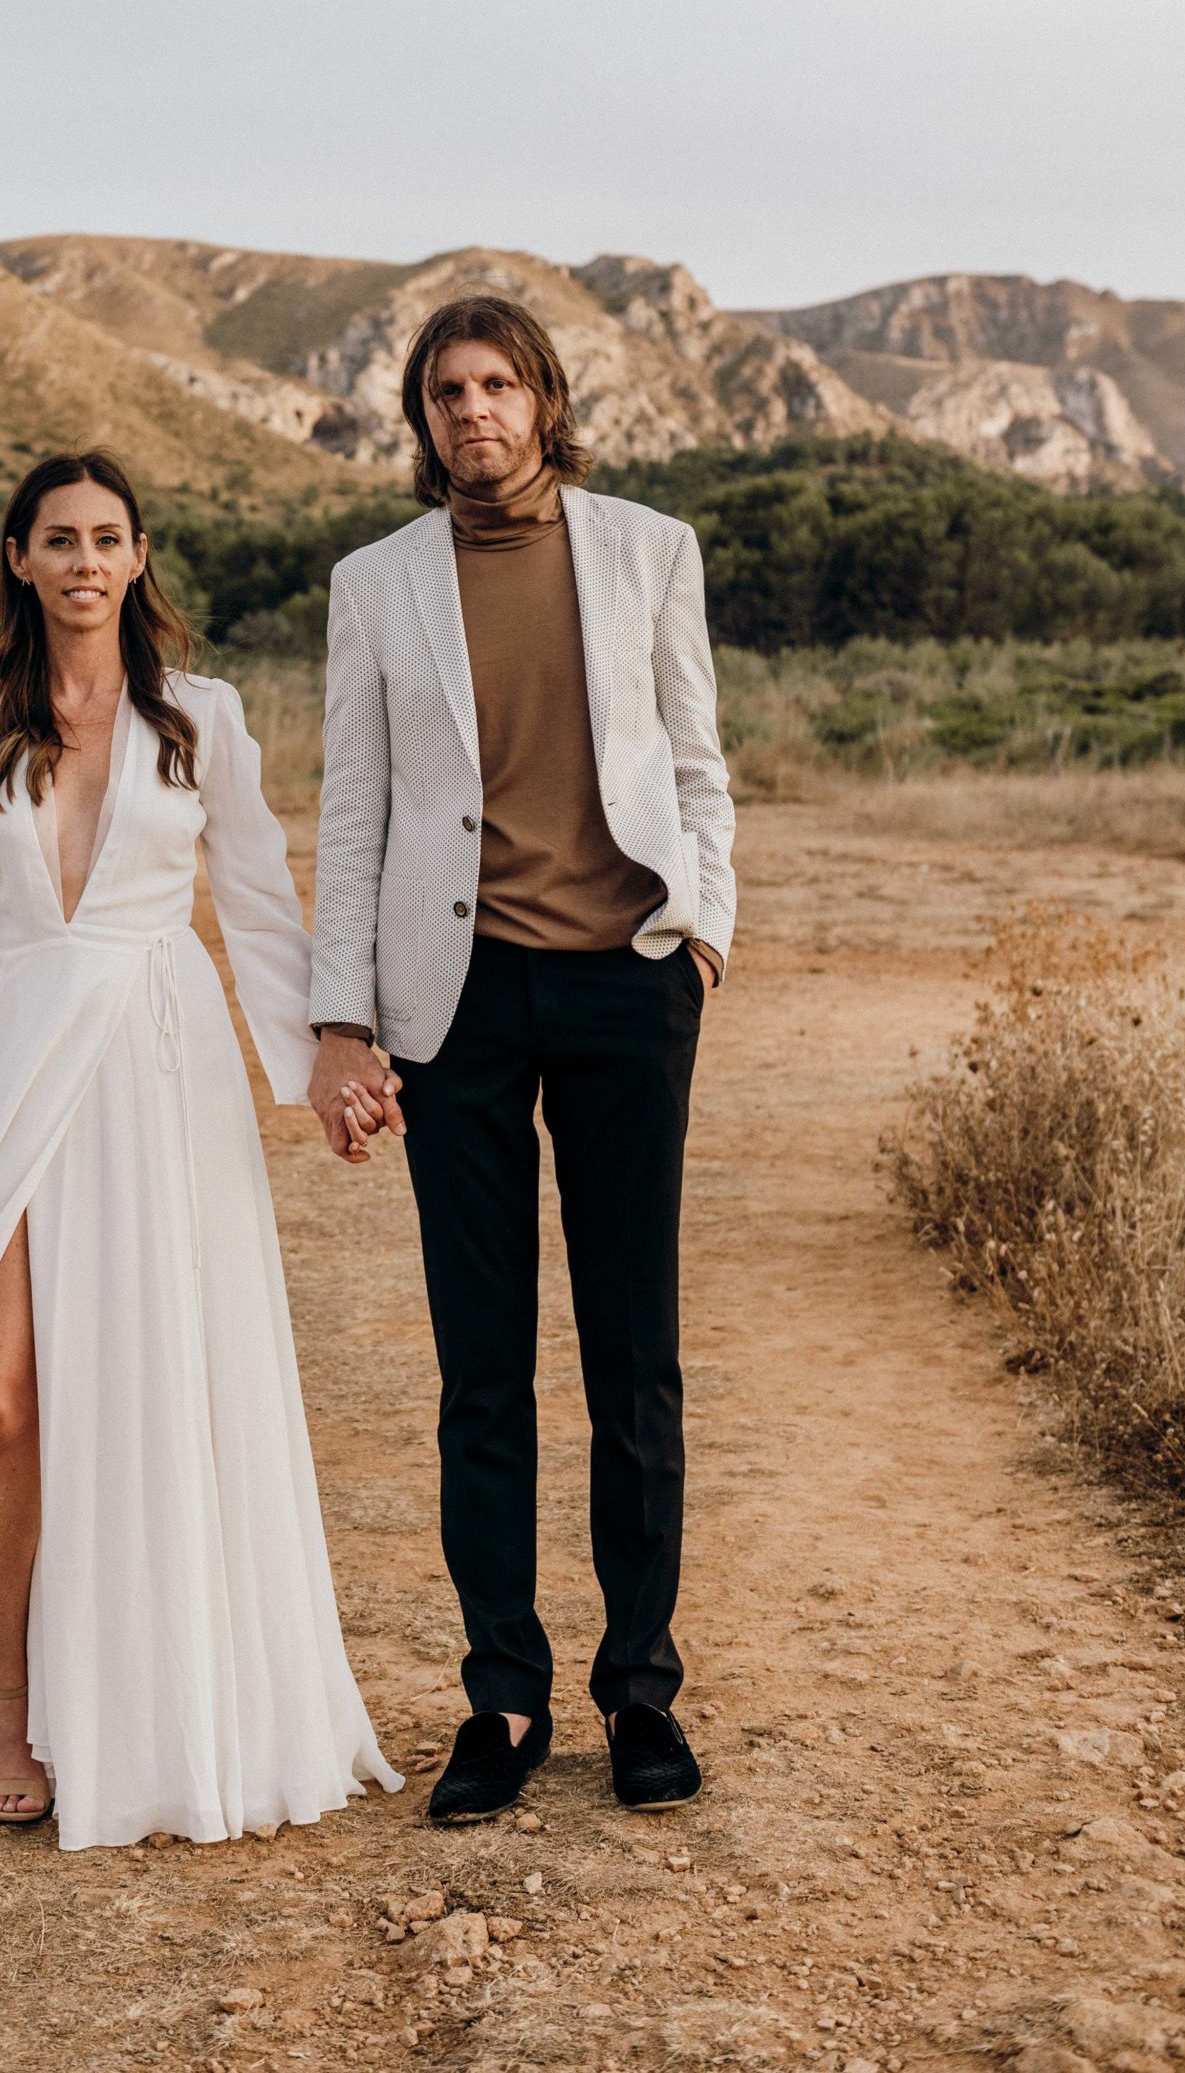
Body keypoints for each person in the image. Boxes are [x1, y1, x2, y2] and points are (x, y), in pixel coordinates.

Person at [0, 448, 400, 1845]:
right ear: (18, 559)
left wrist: (317, 1069)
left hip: (165, 1061)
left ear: (137, 557)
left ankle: (173, 1704)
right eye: (56, 538)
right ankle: (9, 1715)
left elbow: (254, 905)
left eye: (106, 537)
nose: (82, 561)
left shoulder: (204, 722)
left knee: (162, 1382)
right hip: (26, 1067)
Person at [308, 295, 736, 1822]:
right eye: (445, 390)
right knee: (480, 1368)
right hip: (456, 1004)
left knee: (632, 1355)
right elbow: (353, 810)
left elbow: (693, 759)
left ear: (546, 399)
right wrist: (335, 1018)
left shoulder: (646, 548)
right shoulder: (375, 582)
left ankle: (639, 1690)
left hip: (626, 982)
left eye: (498, 384)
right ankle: (500, 1696)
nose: (472, 410)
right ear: (418, 418)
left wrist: (703, 935)